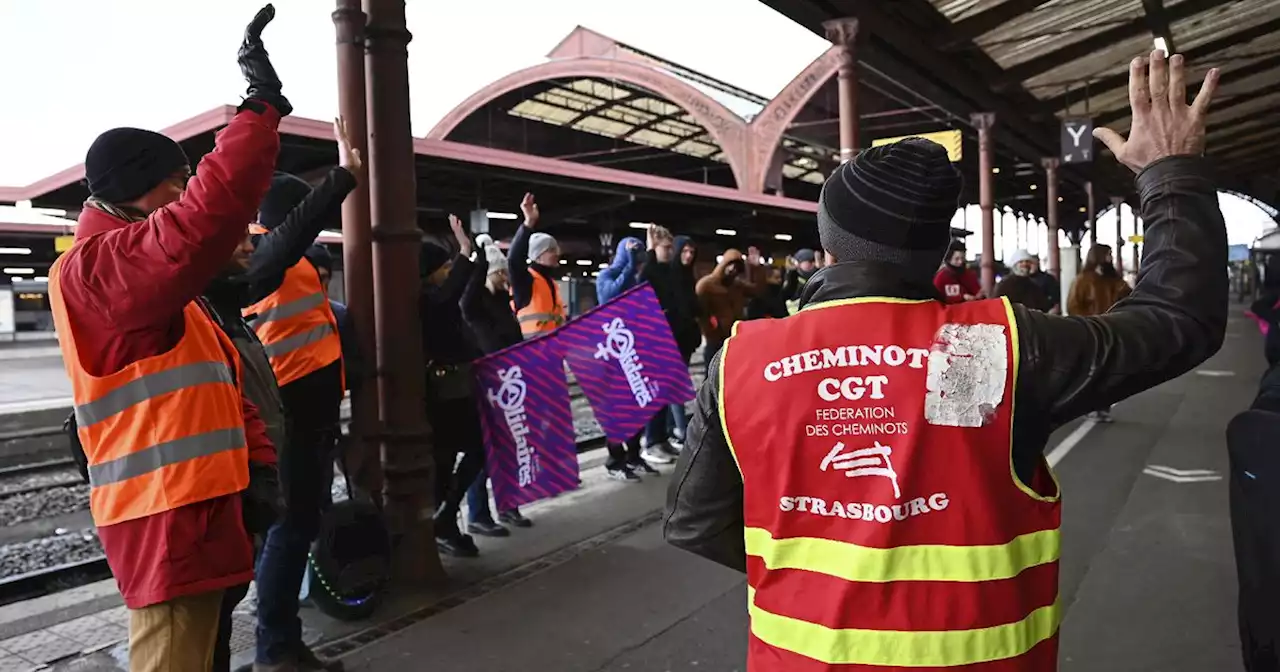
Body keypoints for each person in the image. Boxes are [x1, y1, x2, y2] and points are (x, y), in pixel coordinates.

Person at [665, 52, 1223, 671]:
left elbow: (694, 524)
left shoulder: (743, 358)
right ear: (934, 254)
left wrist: (826, 574)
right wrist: (1171, 175)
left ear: (828, 242)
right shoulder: (987, 348)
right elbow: (1178, 321)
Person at [46, 6, 290, 670]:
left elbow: (223, 383)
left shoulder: (157, 287)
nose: (186, 197)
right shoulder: (96, 269)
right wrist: (257, 112)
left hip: (201, 509)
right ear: (138, 190)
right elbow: (202, 219)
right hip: (166, 518)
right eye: (177, 184)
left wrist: (259, 467)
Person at [242, 124, 359, 672]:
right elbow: (298, 229)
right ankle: (277, 651)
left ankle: (283, 644)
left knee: (291, 532)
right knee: (289, 535)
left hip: (305, 417)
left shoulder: (289, 265)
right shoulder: (268, 259)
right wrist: (342, 177)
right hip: (290, 420)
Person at [203, 229, 288, 672]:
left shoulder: (230, 314)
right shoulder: (204, 317)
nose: (249, 247)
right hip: (216, 492)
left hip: (245, 482)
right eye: (233, 239)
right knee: (210, 614)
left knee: (226, 601)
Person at [420, 216, 488, 556]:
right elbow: (450, 297)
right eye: (444, 266)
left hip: (455, 390)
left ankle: (445, 517)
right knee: (458, 454)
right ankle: (443, 518)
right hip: (445, 394)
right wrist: (463, 251)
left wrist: (472, 253)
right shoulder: (428, 302)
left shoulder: (434, 299)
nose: (449, 270)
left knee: (458, 455)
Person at [460, 234, 533, 535]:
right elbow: (467, 298)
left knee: (507, 449)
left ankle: (508, 504)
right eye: (500, 272)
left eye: (505, 272)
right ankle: (478, 514)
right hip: (484, 384)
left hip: (507, 383)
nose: (506, 277)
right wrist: (479, 260)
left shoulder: (505, 303)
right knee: (485, 450)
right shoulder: (475, 305)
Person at [597, 236, 666, 477]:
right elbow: (610, 296)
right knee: (618, 408)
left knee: (640, 405)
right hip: (614, 353)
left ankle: (634, 455)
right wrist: (629, 265)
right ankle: (614, 459)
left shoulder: (637, 279)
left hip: (636, 349)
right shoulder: (605, 276)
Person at [1067, 244, 1134, 423]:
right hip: (1093, 331)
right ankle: (1091, 407)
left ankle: (1102, 407)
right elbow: (1074, 305)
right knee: (1092, 371)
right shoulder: (1083, 280)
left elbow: (1129, 297)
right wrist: (1089, 322)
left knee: (1109, 371)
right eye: (1108, 254)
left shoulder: (1115, 280)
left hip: (1113, 329)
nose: (1111, 257)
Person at [639, 225, 688, 458]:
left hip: (670, 341)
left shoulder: (669, 272)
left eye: (670, 248)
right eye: (665, 248)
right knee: (656, 395)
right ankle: (651, 442)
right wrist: (650, 251)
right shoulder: (650, 272)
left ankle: (662, 438)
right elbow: (647, 278)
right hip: (654, 343)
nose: (669, 252)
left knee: (666, 394)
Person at [508, 193, 567, 338]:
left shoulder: (551, 284)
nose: (557, 253)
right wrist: (528, 223)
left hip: (554, 352)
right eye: (551, 250)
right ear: (538, 256)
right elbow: (514, 260)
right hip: (531, 353)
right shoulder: (526, 282)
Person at [695, 247, 760, 374]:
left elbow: (758, 291)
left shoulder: (737, 285)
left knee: (733, 376)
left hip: (734, 339)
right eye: (730, 264)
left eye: (736, 267)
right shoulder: (706, 285)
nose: (732, 269)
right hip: (715, 341)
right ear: (723, 264)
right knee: (712, 377)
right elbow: (701, 313)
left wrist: (756, 268)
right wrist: (711, 332)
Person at [782, 248, 819, 314]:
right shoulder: (793, 279)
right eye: (810, 261)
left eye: (815, 261)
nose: (814, 264)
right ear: (798, 263)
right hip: (795, 317)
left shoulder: (817, 276)